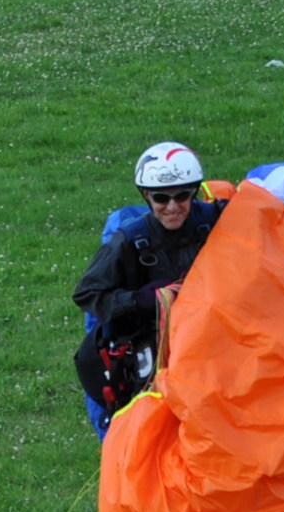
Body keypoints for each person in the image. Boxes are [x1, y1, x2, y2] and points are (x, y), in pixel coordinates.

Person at [73, 141, 226, 422]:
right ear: (146, 195)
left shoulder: (216, 220)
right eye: (161, 199)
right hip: (153, 346)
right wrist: (138, 300)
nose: (173, 207)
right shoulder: (129, 241)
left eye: (182, 196)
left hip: (209, 340)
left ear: (194, 192)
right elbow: (87, 294)